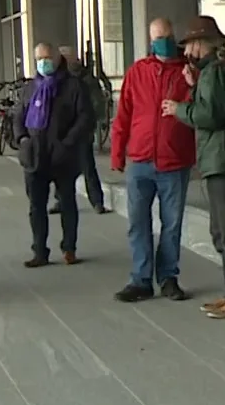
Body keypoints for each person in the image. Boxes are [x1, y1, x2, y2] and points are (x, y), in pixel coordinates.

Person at [164, 15, 225, 318]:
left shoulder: (217, 72)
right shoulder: (216, 72)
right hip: (223, 159)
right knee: (222, 232)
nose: (188, 50)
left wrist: (178, 108)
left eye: (191, 43)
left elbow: (211, 115)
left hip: (224, 161)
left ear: (203, 43)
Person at [110, 17, 197, 302]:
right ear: (150, 41)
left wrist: (192, 86)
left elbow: (202, 109)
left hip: (174, 161)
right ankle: (141, 279)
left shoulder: (188, 71)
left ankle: (169, 277)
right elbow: (123, 114)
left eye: (168, 35)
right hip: (140, 159)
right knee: (138, 222)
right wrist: (117, 153)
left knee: (172, 224)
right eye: (159, 37)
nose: (164, 41)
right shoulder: (137, 72)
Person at [12, 43, 94, 267]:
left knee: (67, 202)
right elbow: (19, 115)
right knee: (36, 206)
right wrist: (22, 139)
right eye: (39, 58)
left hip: (63, 156)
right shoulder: (30, 87)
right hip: (34, 155)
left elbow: (85, 118)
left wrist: (67, 142)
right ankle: (39, 250)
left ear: (58, 59)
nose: (43, 62)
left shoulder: (73, 86)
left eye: (47, 57)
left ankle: (69, 247)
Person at [59, 45, 111, 213]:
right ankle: (61, 200)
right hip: (63, 131)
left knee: (87, 166)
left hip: (81, 130)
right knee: (61, 169)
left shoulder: (85, 79)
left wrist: (91, 121)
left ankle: (97, 201)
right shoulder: (59, 79)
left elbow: (97, 103)